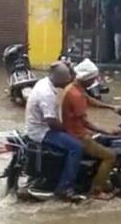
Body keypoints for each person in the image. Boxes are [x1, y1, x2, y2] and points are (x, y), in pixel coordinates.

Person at [61, 61, 121, 200]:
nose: (95, 81)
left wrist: (111, 107)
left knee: (105, 144)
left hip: (77, 132)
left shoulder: (75, 88)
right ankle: (96, 191)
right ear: (86, 78)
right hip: (78, 136)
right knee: (110, 156)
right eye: (93, 78)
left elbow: (91, 100)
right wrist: (107, 131)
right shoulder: (75, 95)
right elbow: (85, 122)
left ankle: (102, 178)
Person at [26, 62, 84, 201]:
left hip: (37, 126)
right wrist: (68, 130)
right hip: (41, 131)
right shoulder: (47, 94)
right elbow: (51, 122)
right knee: (77, 147)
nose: (67, 83)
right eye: (66, 80)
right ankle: (64, 188)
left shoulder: (45, 82)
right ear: (58, 77)